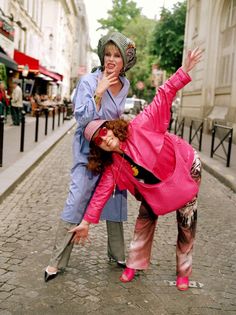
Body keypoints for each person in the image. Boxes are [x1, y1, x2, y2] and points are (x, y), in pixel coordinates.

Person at [69, 48, 202, 291]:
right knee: (145, 218)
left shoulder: (140, 126)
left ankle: (184, 271)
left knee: (186, 221)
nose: (105, 139)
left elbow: (164, 94)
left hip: (184, 167)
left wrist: (185, 70)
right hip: (156, 188)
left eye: (105, 132)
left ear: (112, 127)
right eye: (99, 141)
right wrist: (87, 222)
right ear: (99, 148)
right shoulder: (114, 168)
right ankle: (134, 263)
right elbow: (100, 195)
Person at [44, 32, 137, 282]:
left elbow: (116, 115)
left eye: (116, 55)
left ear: (125, 61)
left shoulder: (126, 84)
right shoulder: (88, 81)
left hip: (110, 146)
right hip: (87, 147)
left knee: (115, 197)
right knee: (78, 197)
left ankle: (116, 253)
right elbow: (83, 119)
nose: (111, 59)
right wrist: (98, 92)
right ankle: (56, 261)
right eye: (107, 54)